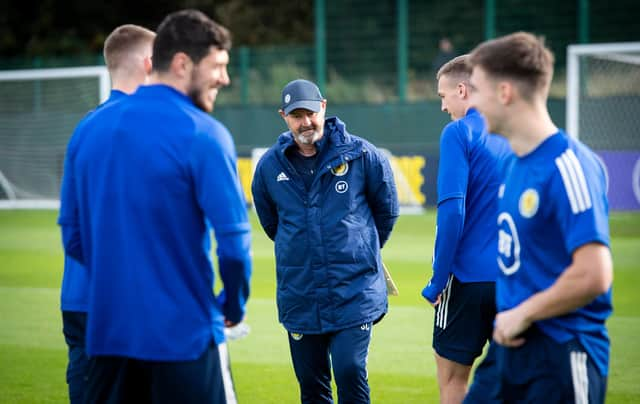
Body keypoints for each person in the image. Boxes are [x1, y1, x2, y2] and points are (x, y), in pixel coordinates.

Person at [58, 9, 251, 404]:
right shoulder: (205, 133)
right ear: (182, 63)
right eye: (217, 66)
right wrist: (232, 304)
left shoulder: (89, 129)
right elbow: (234, 247)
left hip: (109, 337)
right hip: (186, 337)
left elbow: (73, 238)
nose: (225, 78)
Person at [464, 32, 613, 403]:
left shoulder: (568, 166)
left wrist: (524, 312)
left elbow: (594, 273)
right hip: (508, 348)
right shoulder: (512, 164)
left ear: (505, 93)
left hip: (563, 349)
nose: (472, 101)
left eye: (477, 89)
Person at [251, 79, 399, 404]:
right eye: (296, 116)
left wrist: (362, 247)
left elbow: (386, 212)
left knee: (349, 369)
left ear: (324, 107)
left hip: (353, 290)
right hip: (300, 293)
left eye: (311, 113)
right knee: (311, 386)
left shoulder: (362, 155)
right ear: (284, 117)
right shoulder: (268, 167)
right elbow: (271, 223)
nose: (306, 122)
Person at [59, 23, 154, 404]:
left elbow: (71, 227)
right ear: (149, 64)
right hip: (124, 302)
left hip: (78, 297)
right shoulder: (149, 128)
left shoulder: (83, 129)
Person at [421, 55, 511, 404]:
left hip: (466, 279)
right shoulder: (513, 133)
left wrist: (437, 280)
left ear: (462, 90)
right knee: (514, 378)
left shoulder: (458, 132)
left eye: (443, 96)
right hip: (513, 278)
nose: (443, 106)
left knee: (453, 379)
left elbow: (452, 212)